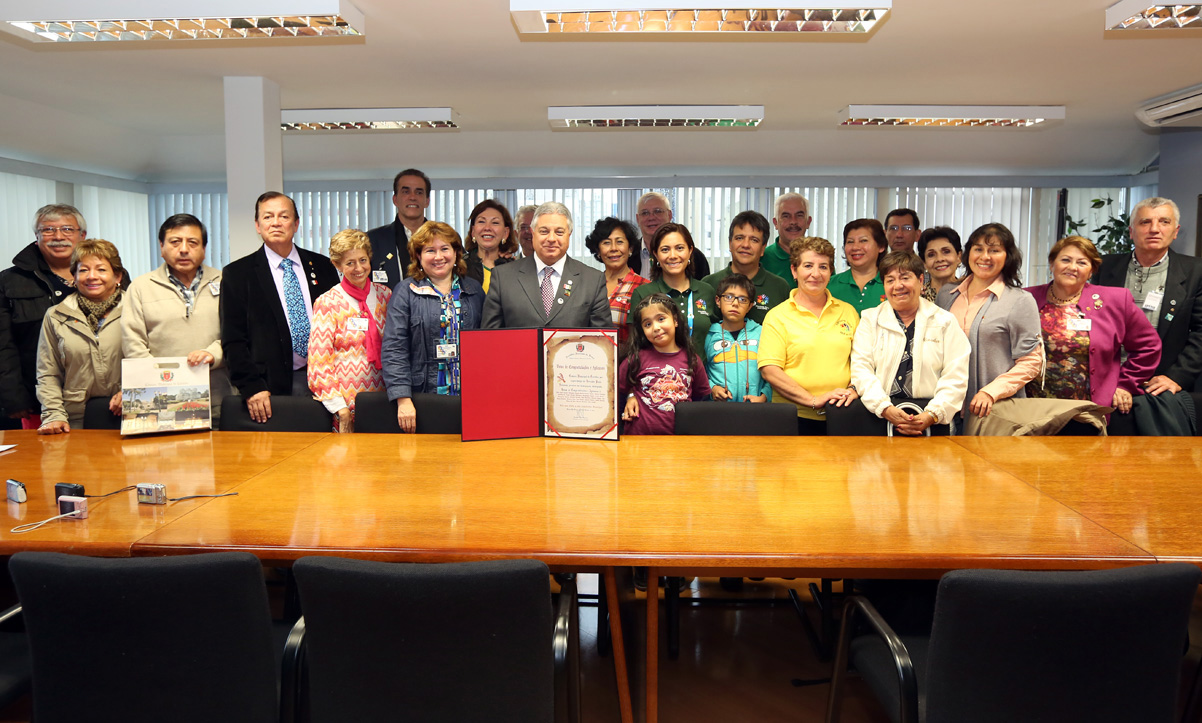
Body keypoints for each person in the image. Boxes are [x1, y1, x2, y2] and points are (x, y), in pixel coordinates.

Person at [220, 192, 340, 424]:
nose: (276, 222)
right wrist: (251, 386)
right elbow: (233, 340)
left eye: (284, 216)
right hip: (269, 387)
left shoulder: (323, 266)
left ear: (295, 224)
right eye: (268, 217)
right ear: (257, 225)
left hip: (326, 380)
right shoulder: (237, 274)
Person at [1025, 236, 1160, 417]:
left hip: (1089, 410)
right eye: (1065, 260)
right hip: (1033, 408)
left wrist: (1125, 384)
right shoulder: (1026, 298)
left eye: (1082, 262)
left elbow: (1148, 346)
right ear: (1052, 264)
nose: (1072, 267)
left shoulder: (1115, 300)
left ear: (1091, 271)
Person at [840, 251, 971, 435]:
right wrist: (884, 407)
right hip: (878, 415)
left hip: (932, 419)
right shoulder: (870, 319)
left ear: (920, 280)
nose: (898, 286)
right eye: (890, 280)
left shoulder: (944, 322)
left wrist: (932, 414)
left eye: (905, 278)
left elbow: (956, 377)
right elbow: (862, 370)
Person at [122, 214, 229, 423]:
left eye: (193, 243)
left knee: (219, 455)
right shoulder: (141, 287)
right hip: (158, 401)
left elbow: (238, 334)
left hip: (218, 397)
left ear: (204, 249)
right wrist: (166, 383)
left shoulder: (226, 281)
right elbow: (132, 342)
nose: (183, 249)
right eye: (175, 242)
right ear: (162, 247)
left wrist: (212, 354)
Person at [382, 222, 485, 432]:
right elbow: (394, 349)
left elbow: (487, 348)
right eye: (430, 250)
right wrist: (403, 399)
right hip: (421, 398)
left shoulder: (473, 290)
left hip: (469, 397)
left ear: (456, 253)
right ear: (418, 256)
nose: (439, 257)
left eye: (445, 249)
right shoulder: (405, 292)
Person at [1094, 196, 1202, 396]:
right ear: (1131, 232)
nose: (1154, 229)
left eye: (1164, 222)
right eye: (1145, 222)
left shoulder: (1196, 272)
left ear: (1175, 231)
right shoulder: (1103, 267)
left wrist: (1177, 377)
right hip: (1107, 381)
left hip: (1163, 384)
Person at [935, 222, 1042, 420]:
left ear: (1007, 256)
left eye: (994, 250)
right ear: (968, 254)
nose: (985, 257)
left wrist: (991, 392)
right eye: (978, 249)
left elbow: (1031, 362)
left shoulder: (1019, 300)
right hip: (945, 410)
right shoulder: (946, 295)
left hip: (994, 412)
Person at [758, 237, 860, 435]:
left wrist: (853, 390)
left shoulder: (848, 312)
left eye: (823, 267)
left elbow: (862, 362)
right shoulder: (777, 316)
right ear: (794, 271)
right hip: (793, 418)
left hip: (842, 414)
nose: (815, 274)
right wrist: (812, 400)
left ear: (831, 272)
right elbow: (770, 370)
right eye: (808, 266)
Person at [0, 204, 88, 429]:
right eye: (48, 230)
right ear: (37, 237)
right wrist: (13, 397)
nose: (58, 236)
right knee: (48, 461)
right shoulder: (8, 282)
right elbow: (3, 345)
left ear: (82, 235)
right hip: (36, 399)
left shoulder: (107, 274)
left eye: (68, 229)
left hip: (99, 397)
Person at [34, 239, 125, 433]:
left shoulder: (137, 310)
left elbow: (155, 359)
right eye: (83, 270)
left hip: (132, 415)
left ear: (118, 276)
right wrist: (53, 414)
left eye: (101, 270)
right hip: (75, 420)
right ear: (73, 277)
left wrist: (135, 393)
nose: (92, 277)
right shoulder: (56, 316)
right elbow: (48, 373)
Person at [307, 229, 393, 433]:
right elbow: (318, 364)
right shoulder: (327, 302)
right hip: (345, 404)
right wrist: (340, 409)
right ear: (337, 265)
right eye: (350, 263)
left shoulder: (385, 296)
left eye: (363, 260)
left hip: (385, 400)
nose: (359, 268)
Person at [481, 202, 609, 329]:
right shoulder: (503, 277)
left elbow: (603, 341)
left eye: (559, 232)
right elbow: (489, 338)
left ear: (569, 234)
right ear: (533, 232)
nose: (551, 239)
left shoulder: (592, 280)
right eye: (544, 231)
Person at [619, 293, 711, 434]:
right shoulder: (634, 359)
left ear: (675, 321)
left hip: (680, 442)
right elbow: (617, 392)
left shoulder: (692, 360)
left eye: (661, 319)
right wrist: (630, 396)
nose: (656, 327)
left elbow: (701, 398)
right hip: (640, 443)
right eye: (648, 324)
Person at [629, 223, 716, 354]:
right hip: (659, 373)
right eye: (665, 250)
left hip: (703, 372)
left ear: (690, 251)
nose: (673, 255)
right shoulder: (643, 294)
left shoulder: (707, 291)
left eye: (680, 248)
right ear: (656, 255)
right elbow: (636, 346)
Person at [701, 210, 791, 324]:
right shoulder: (709, 284)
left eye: (754, 240)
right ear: (730, 244)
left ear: (763, 248)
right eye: (739, 238)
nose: (745, 245)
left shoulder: (780, 287)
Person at [704, 274, 771, 403]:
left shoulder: (761, 333)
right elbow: (701, 370)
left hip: (754, 410)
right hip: (719, 411)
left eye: (742, 299)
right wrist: (712, 388)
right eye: (728, 297)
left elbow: (773, 370)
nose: (735, 304)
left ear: (750, 306)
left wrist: (764, 396)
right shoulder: (709, 334)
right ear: (718, 301)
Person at [584, 216, 646, 345]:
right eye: (606, 242)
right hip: (587, 359)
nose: (613, 248)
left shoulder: (644, 287)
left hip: (628, 362)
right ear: (598, 251)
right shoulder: (587, 284)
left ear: (630, 249)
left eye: (619, 242)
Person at [365, 168, 431, 288]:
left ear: (427, 201)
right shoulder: (372, 240)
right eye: (406, 192)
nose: (412, 197)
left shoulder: (444, 238)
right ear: (395, 199)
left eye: (419, 192)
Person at [629, 192, 710, 278]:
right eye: (645, 213)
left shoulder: (694, 257)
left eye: (658, 211)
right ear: (638, 219)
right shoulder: (628, 255)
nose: (651, 217)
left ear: (669, 215)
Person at [829, 219, 887, 314]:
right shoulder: (828, 286)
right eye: (850, 242)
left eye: (863, 241)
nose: (855, 247)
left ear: (881, 246)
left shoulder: (892, 285)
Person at [463, 199, 517, 292]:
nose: (487, 228)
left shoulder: (515, 270)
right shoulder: (460, 267)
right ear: (473, 231)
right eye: (481, 222)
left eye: (495, 222)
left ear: (505, 233)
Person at [762, 193, 812, 286]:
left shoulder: (820, 258)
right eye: (786, 216)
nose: (793, 221)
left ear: (808, 222)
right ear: (776, 223)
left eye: (799, 215)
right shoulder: (761, 259)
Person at [918, 226, 962, 301]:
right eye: (931, 255)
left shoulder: (969, 294)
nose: (939, 259)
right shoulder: (917, 298)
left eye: (946, 252)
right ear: (924, 263)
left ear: (959, 256)